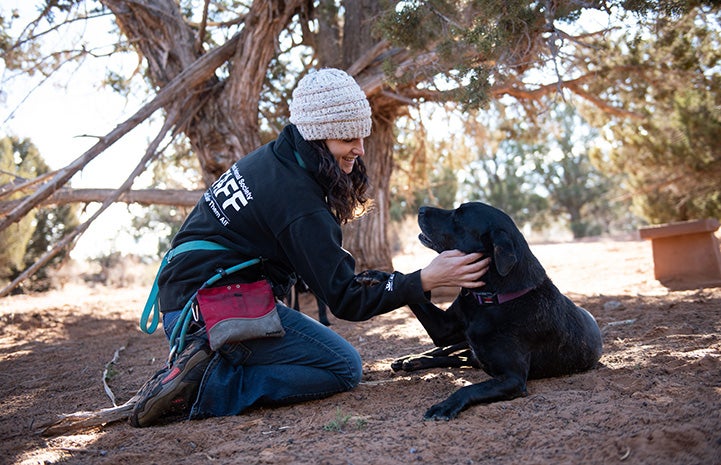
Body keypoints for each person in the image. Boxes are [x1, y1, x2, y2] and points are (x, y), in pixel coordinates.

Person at [129, 68, 490, 427]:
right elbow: (346, 301)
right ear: (319, 137)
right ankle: (207, 386)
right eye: (348, 137)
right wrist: (425, 278)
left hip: (191, 304)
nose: (359, 149)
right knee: (343, 367)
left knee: (317, 351)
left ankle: (204, 362)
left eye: (361, 135)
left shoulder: (278, 158)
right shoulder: (298, 201)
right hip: (207, 311)